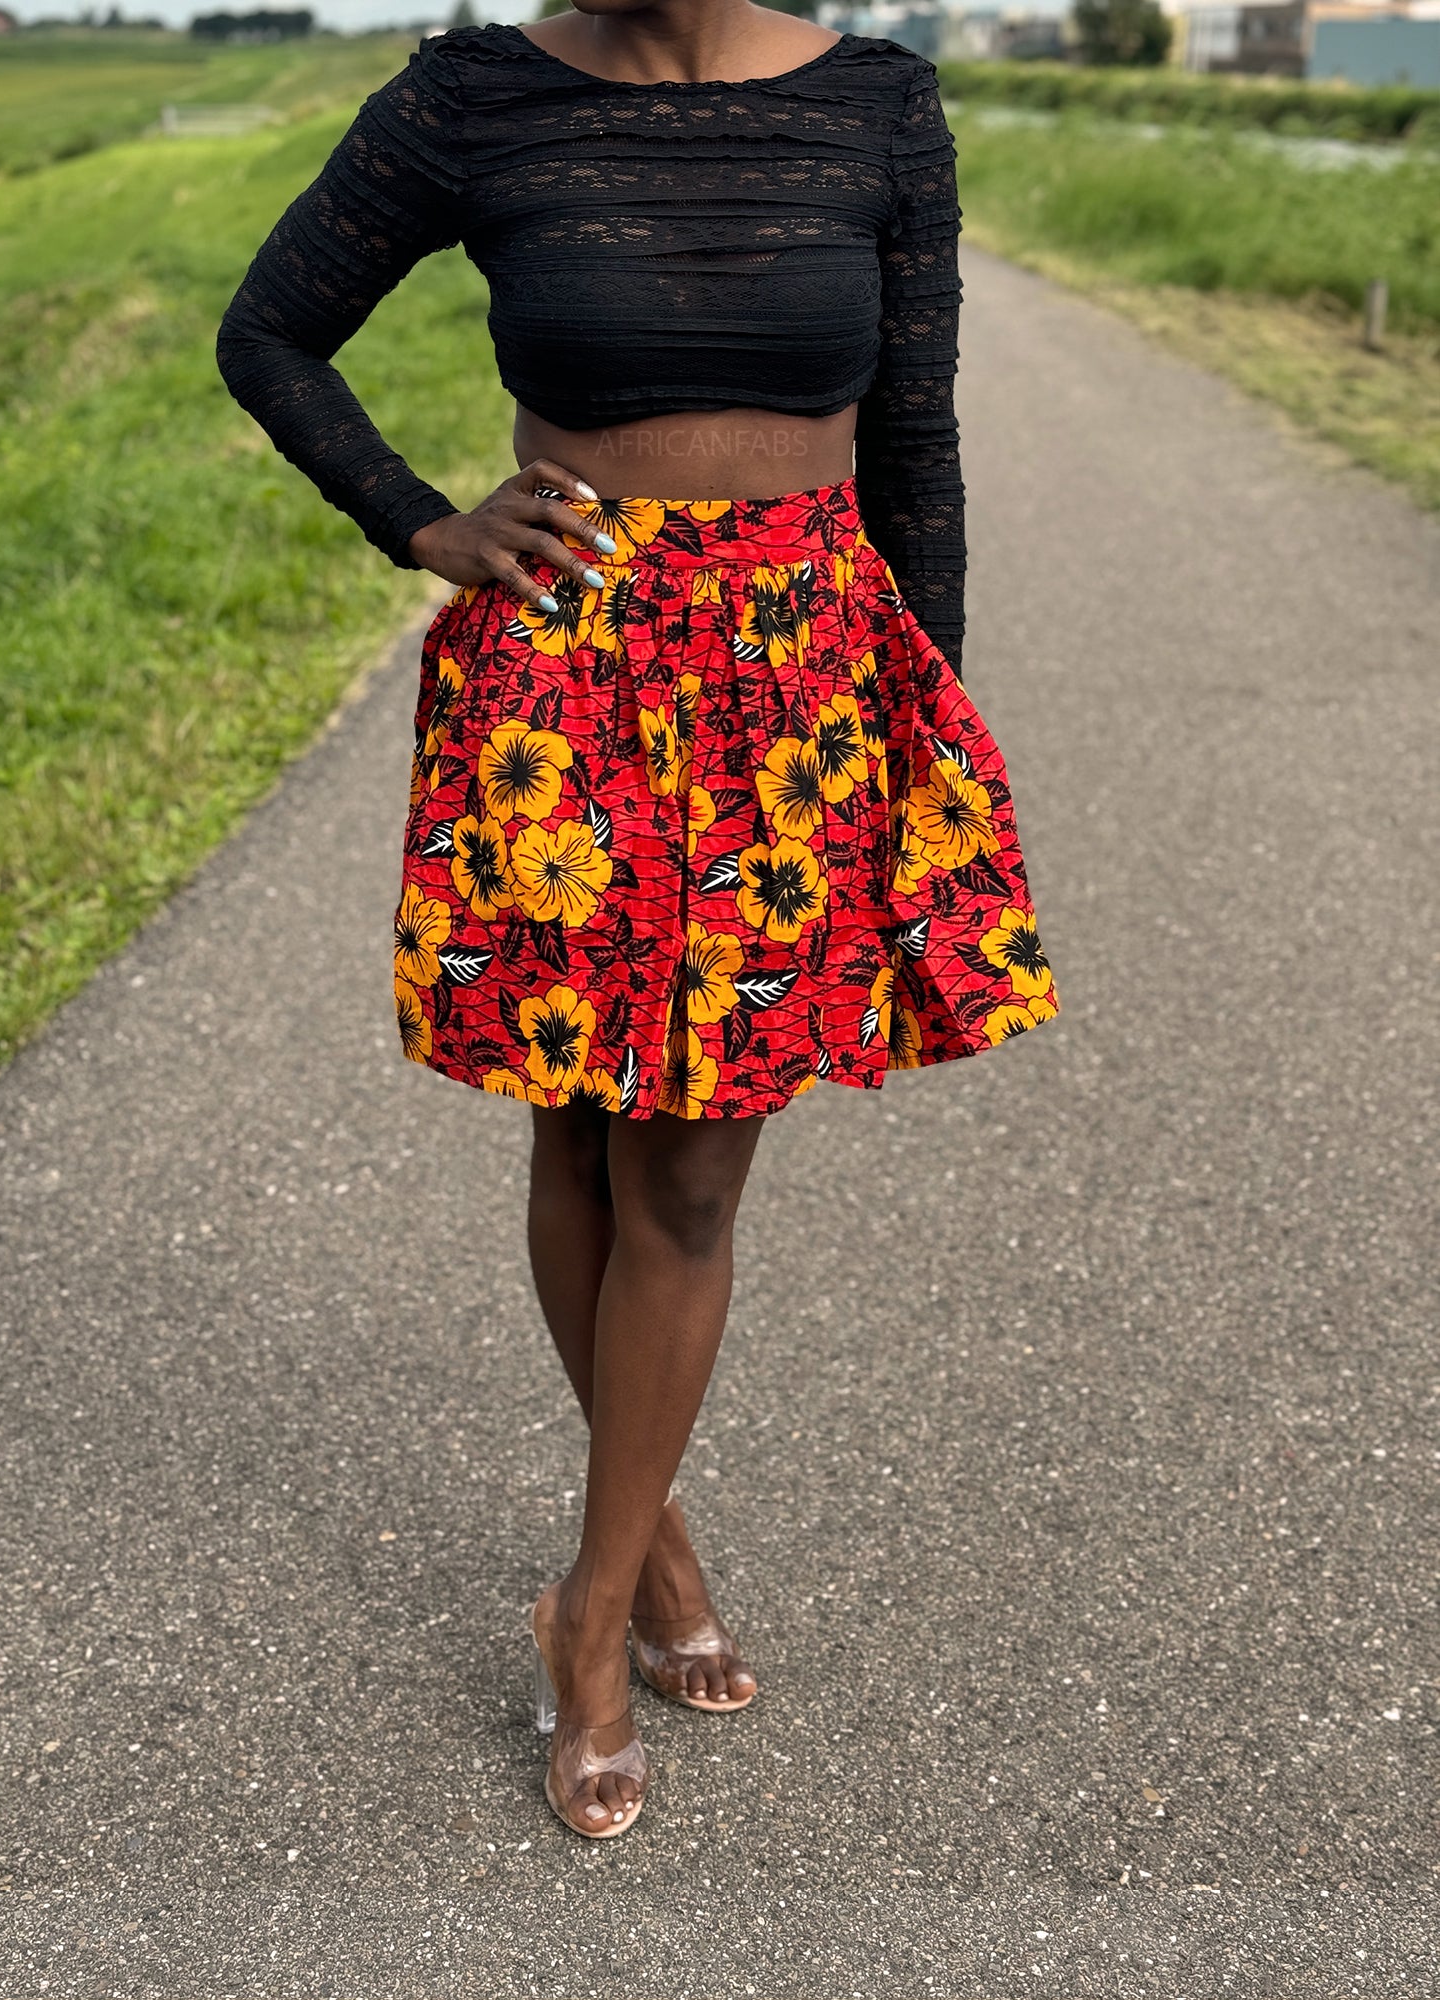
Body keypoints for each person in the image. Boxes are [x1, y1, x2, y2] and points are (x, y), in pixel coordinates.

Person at [215, 0, 1058, 1842]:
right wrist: (416, 521)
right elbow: (267, 331)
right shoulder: (478, 95)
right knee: (581, 1143)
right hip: (566, 687)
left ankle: (586, 1605)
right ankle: (651, 1544)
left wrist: (932, 728)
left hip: (796, 693)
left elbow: (913, 430)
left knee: (688, 1173)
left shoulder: (876, 108)